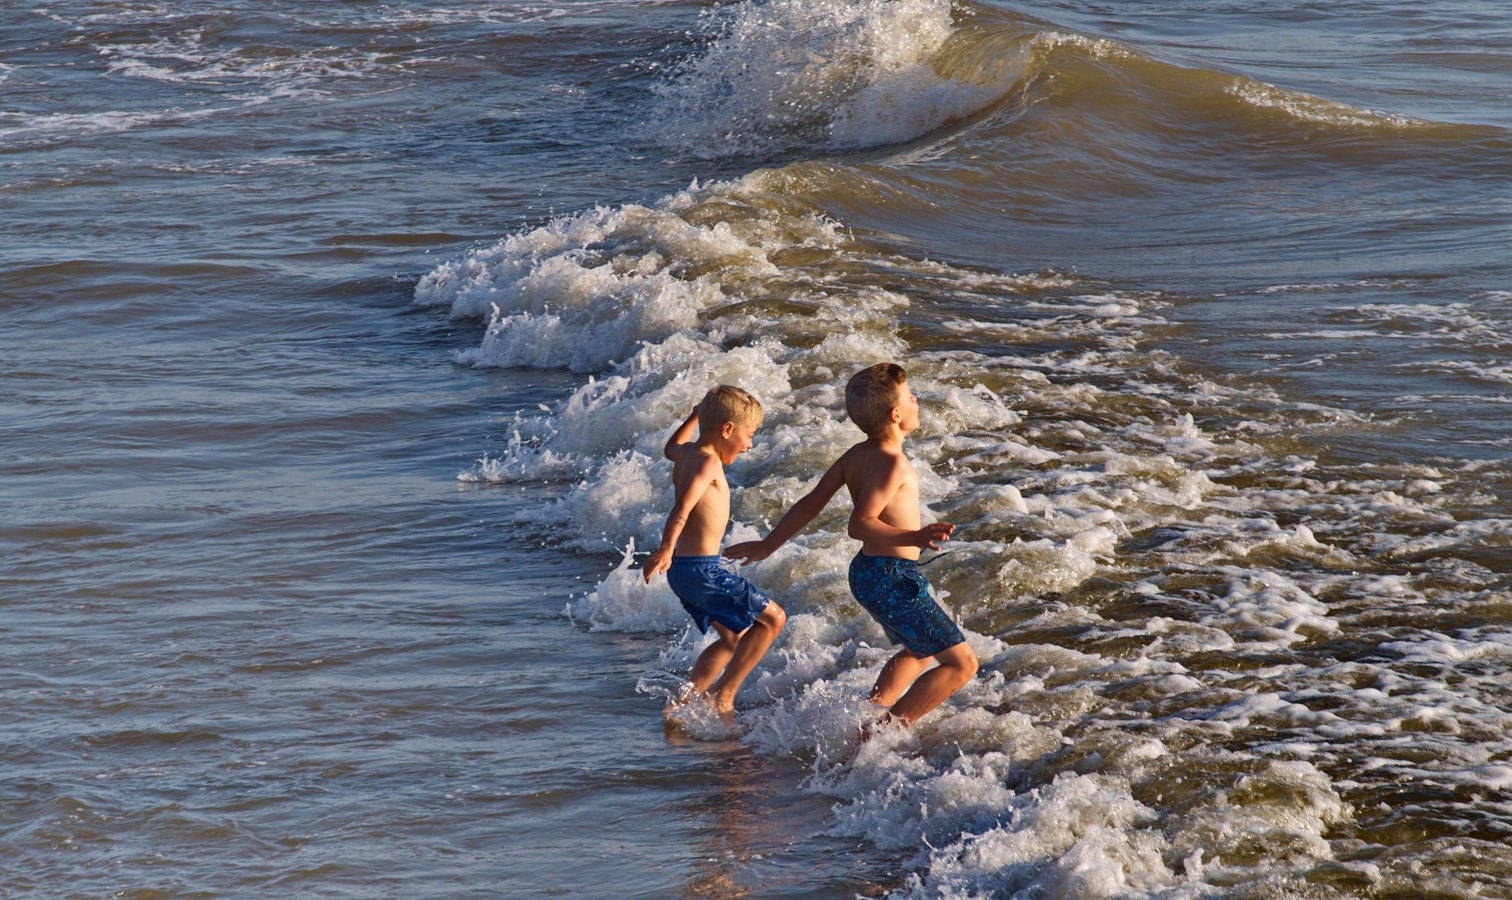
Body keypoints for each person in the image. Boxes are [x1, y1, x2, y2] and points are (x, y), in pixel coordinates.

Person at [725, 363, 977, 730]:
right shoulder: (893, 464)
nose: (916, 400)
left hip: (869, 574)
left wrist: (768, 544)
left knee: (919, 651)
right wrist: (915, 537)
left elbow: (811, 502)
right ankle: (883, 732)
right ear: (895, 414)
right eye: (910, 397)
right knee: (962, 664)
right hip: (891, 577)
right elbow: (860, 524)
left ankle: (870, 716)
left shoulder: (857, 455)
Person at [644, 385, 788, 719]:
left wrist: (696, 414)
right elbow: (682, 507)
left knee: (732, 639)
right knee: (773, 620)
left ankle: (681, 705)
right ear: (727, 429)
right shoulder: (707, 462)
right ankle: (724, 697)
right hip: (700, 569)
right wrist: (665, 548)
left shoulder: (689, 453)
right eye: (749, 434)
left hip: (685, 570)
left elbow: (670, 447)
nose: (750, 444)